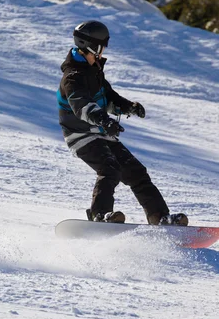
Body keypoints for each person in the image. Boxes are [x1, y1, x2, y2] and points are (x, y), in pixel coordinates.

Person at [57, 20, 189, 226]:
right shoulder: (72, 78)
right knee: (110, 169)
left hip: (102, 133)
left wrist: (129, 107)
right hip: (82, 136)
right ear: (91, 46)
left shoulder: (94, 71)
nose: (102, 53)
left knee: (137, 172)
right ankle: (99, 216)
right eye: (101, 48)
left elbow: (109, 97)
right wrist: (103, 120)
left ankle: (160, 218)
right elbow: (81, 106)